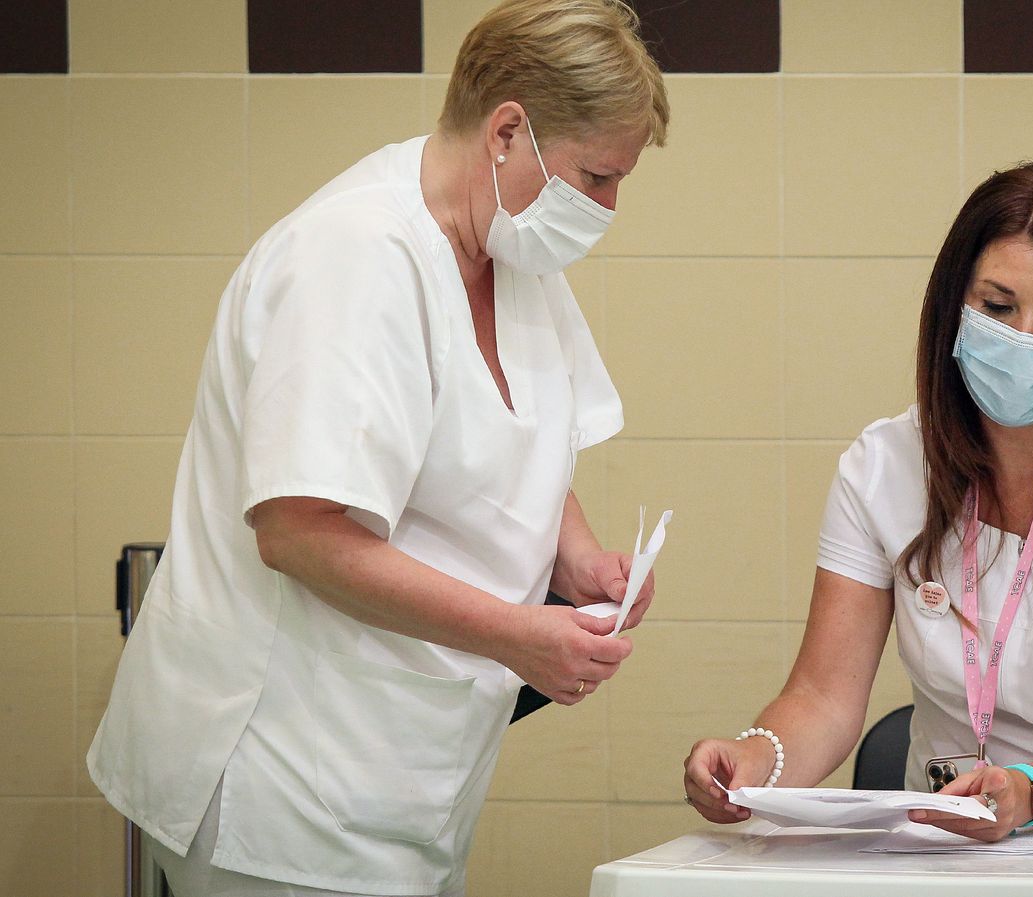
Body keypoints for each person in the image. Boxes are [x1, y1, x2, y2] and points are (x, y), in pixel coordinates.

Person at [87, 2, 669, 894]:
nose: (607, 208)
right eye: (596, 176)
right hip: (281, 784)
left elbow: (524, 438)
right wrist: (518, 634)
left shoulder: (512, 254)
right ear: (506, 132)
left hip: (403, 775)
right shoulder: (355, 258)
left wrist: (580, 558)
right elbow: (299, 532)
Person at [684, 163, 1033, 842]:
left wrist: (1026, 793)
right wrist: (758, 760)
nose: (1024, 338)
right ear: (954, 303)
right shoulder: (884, 466)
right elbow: (823, 698)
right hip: (949, 839)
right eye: (998, 307)